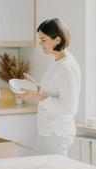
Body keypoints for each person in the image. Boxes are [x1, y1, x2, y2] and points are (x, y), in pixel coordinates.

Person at [16, 18, 81, 156]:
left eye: (43, 40)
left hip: (56, 134)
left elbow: (69, 109)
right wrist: (36, 88)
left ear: (57, 40)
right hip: (48, 132)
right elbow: (54, 91)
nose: (40, 44)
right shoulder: (57, 61)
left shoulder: (66, 68)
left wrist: (37, 96)